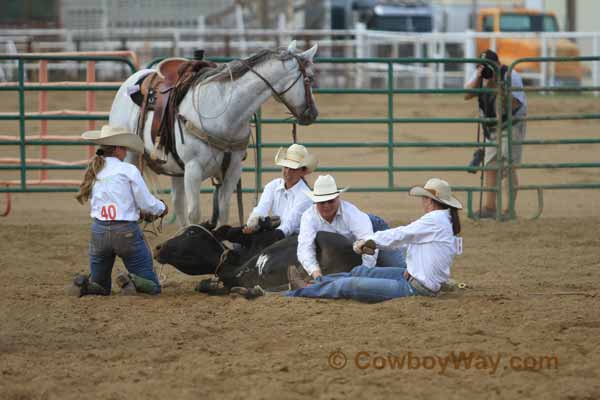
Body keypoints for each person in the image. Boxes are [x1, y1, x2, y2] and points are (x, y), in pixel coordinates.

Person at [286, 178, 463, 302]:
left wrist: (368, 241)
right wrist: (415, 269)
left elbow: (401, 235)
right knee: (360, 272)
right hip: (414, 279)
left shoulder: (434, 220)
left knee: (352, 284)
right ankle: (315, 283)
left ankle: (302, 290)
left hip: (416, 288)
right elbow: (413, 242)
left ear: (429, 201)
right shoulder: (442, 220)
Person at [70, 125, 168, 297]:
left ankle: (84, 286)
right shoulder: (128, 170)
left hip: (99, 232)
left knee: (100, 287)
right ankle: (132, 280)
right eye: (124, 148)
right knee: (153, 287)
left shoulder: (94, 170)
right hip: (125, 233)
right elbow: (146, 203)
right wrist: (162, 207)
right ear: (116, 149)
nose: (125, 152)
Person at [464, 49, 528, 219]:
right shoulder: (480, 75)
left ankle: (509, 210)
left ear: (498, 65)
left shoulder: (510, 75)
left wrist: (499, 88)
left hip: (512, 123)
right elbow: (467, 94)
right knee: (490, 166)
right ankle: (490, 208)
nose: (486, 70)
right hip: (491, 126)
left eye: (489, 67)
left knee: (508, 165)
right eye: (482, 66)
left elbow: (515, 104)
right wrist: (479, 78)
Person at [287, 174, 379, 287]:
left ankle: (310, 286)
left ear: (338, 198)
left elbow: (369, 242)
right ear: (315, 202)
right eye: (322, 202)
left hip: (368, 235)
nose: (326, 206)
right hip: (338, 255)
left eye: (330, 201)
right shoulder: (308, 216)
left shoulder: (352, 214)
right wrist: (316, 273)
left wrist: (365, 271)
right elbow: (305, 248)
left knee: (396, 265)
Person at [243, 143, 317, 237]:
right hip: (276, 232)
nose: (288, 172)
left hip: (295, 238)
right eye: (286, 167)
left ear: (303, 172)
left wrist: (272, 234)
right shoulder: (273, 185)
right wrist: (251, 225)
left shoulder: (306, 196)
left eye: (293, 168)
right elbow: (261, 209)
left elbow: (290, 224)